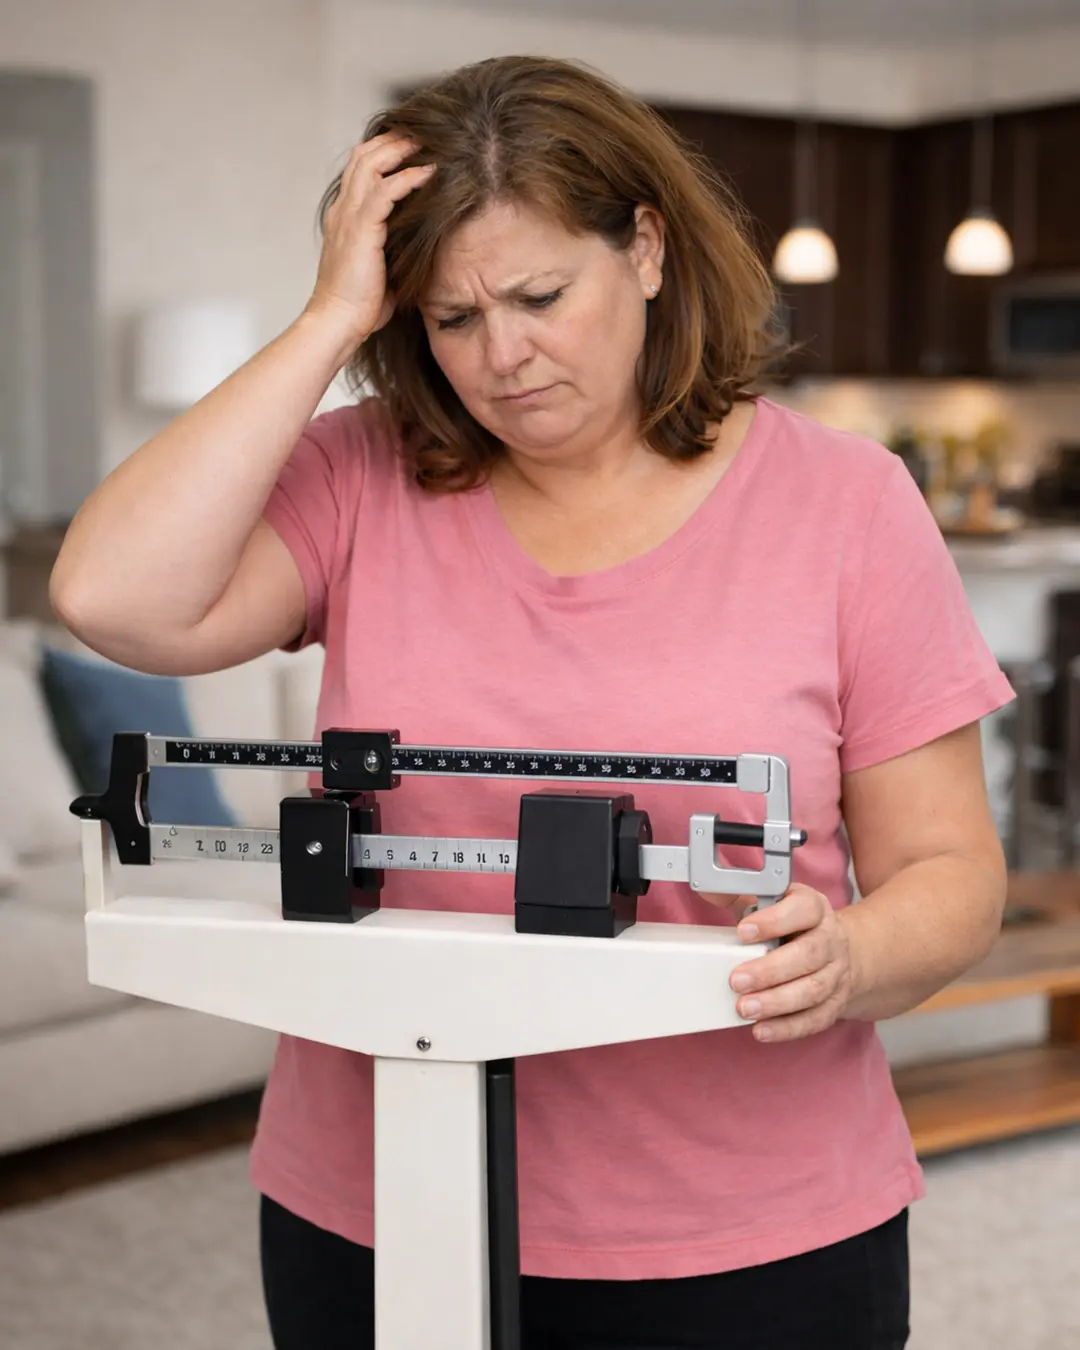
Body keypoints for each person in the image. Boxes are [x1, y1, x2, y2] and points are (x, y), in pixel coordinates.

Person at [51, 54, 1013, 1350]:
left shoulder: (847, 502)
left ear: (650, 251)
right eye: (449, 319)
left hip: (749, 1227)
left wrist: (851, 957)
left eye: (542, 295)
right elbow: (113, 593)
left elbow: (954, 872)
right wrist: (328, 322)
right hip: (377, 1206)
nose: (503, 357)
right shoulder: (360, 477)